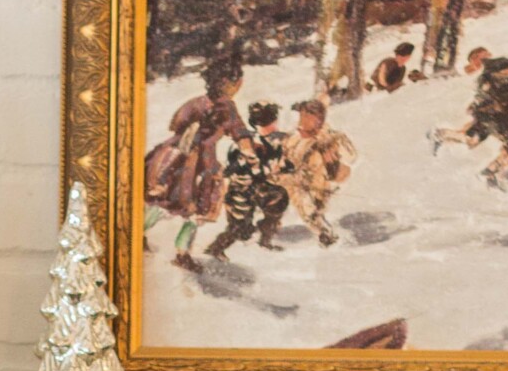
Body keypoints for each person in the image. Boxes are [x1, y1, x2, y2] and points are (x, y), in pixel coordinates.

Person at [143, 51, 251, 270]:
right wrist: (249, 152)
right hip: (201, 165)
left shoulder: (196, 102)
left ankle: (138, 232)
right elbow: (240, 134)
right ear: (232, 84)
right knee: (195, 211)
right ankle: (182, 253)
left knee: (165, 201)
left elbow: (176, 124)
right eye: (237, 81)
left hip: (175, 158)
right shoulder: (228, 108)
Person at [430, 43, 508, 186]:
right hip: (491, 113)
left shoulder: (496, 73)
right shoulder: (483, 74)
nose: (488, 57)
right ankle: (490, 171)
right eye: (484, 55)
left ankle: (442, 134)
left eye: (488, 55)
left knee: (471, 140)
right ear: (474, 58)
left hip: (488, 112)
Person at [208, 101, 290, 253]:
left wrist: (283, 168)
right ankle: (215, 249)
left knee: (277, 204)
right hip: (241, 190)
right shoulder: (246, 143)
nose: (274, 125)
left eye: (271, 121)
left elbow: (278, 163)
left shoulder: (275, 141)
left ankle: (265, 240)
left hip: (259, 187)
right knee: (239, 228)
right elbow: (233, 168)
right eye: (269, 121)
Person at [273, 97, 355, 246]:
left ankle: (324, 232)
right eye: (301, 115)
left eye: (306, 116)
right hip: (293, 179)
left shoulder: (329, 137)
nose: (301, 120)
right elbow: (285, 154)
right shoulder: (294, 136)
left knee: (311, 208)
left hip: (316, 180)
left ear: (318, 119)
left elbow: (351, 155)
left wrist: (333, 153)